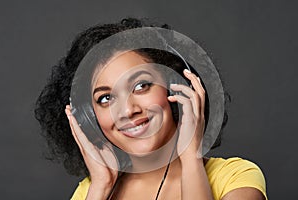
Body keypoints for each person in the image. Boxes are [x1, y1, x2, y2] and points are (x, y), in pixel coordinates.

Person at [35, 18, 267, 200]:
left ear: (176, 88)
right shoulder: (91, 191)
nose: (127, 110)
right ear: (88, 118)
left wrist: (191, 159)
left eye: (141, 86)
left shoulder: (236, 177)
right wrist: (100, 189)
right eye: (105, 98)